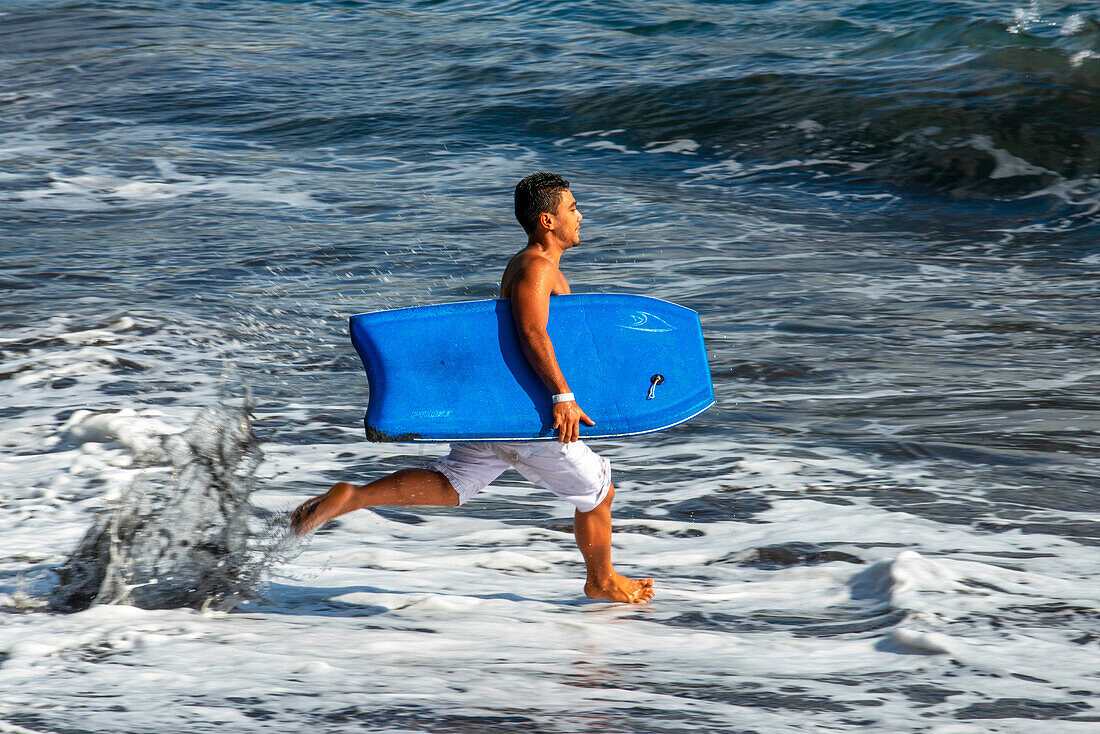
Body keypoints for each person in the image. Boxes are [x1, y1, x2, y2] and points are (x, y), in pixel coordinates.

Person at [290, 172, 655, 604]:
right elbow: (532, 333)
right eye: (572, 208)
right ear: (547, 220)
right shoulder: (537, 268)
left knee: (451, 484)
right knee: (598, 493)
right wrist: (562, 396)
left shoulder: (532, 266)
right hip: (529, 413)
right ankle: (602, 579)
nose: (581, 215)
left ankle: (354, 496)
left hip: (497, 413)